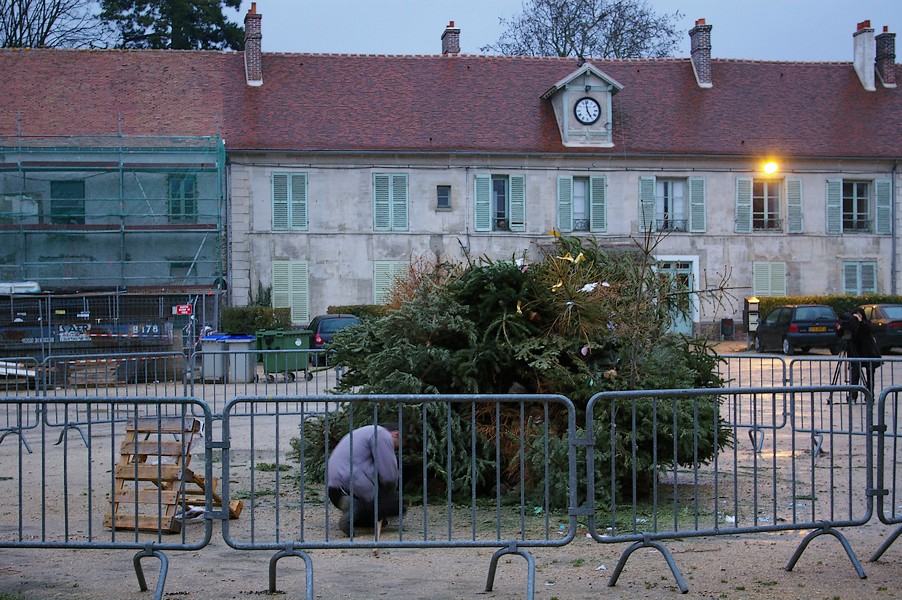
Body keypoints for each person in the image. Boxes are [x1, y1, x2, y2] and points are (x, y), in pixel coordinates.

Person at [327, 423, 402, 536]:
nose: (397, 448)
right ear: (396, 434)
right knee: (383, 505)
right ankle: (355, 505)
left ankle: (354, 507)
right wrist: (388, 498)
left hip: (335, 492)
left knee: (370, 518)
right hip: (352, 485)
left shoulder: (364, 432)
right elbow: (389, 475)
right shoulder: (382, 435)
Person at [836, 307, 882, 402]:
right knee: (854, 374)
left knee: (870, 376)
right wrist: (840, 328)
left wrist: (861, 321)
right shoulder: (852, 324)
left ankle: (869, 396)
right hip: (855, 351)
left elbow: (869, 329)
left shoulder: (866, 323)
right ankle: (853, 396)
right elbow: (841, 333)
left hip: (868, 352)